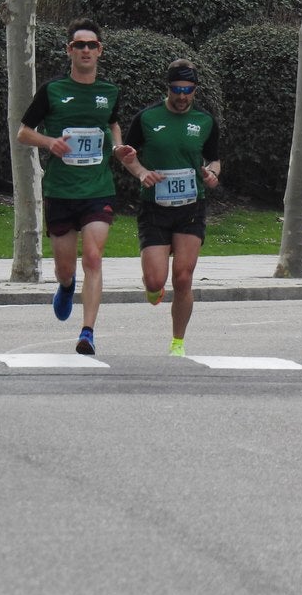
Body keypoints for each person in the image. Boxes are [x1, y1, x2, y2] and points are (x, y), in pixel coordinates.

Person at [17, 18, 123, 355]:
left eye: (92, 45)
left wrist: (119, 148)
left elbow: (113, 123)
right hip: (61, 191)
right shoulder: (53, 91)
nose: (87, 50)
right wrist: (49, 142)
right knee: (66, 267)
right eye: (80, 45)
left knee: (93, 257)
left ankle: (88, 332)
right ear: (70, 50)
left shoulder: (109, 93)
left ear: (100, 50)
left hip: (97, 188)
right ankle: (66, 284)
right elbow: (23, 132)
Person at [116, 59, 220, 357]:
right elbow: (127, 155)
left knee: (184, 277)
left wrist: (212, 174)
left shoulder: (205, 121)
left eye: (188, 90)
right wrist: (141, 172)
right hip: (155, 207)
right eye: (177, 89)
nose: (182, 96)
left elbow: (214, 159)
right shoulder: (147, 118)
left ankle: (178, 342)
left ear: (195, 90)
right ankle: (154, 289)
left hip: (191, 206)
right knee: (154, 281)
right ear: (168, 88)